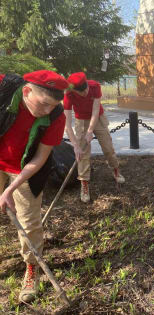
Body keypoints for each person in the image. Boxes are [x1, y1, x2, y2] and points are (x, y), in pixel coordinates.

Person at [0, 70, 68, 302]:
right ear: (27, 91)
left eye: (53, 105)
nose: (48, 111)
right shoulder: (4, 88)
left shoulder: (57, 114)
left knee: (29, 222)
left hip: (25, 170)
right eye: (44, 104)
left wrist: (10, 189)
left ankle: (31, 267)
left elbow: (40, 158)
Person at [63, 72, 125, 203]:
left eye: (85, 89)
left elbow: (96, 110)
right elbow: (67, 124)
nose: (85, 92)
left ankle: (116, 170)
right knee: (82, 155)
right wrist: (75, 146)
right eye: (81, 92)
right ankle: (84, 184)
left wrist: (90, 130)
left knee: (108, 148)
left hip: (98, 119)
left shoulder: (95, 86)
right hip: (81, 121)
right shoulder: (68, 95)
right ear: (73, 90)